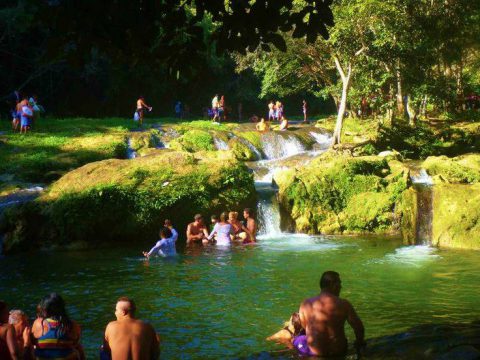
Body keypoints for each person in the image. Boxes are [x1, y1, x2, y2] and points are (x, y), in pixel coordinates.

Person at [296, 271, 365, 357]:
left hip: (316, 354)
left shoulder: (305, 304)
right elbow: (359, 328)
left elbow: (304, 326)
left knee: (299, 338)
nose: (341, 287)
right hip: (339, 352)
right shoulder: (344, 304)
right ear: (333, 284)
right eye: (339, 283)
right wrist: (359, 343)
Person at [32, 293, 84, 359]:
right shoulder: (73, 325)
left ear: (45, 310)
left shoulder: (39, 323)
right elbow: (75, 343)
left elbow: (33, 341)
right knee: (77, 350)